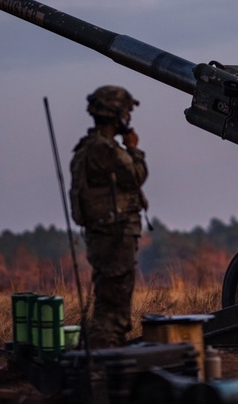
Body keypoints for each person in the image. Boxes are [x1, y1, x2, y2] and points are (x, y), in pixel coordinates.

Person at [69, 85, 148, 348]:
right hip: (115, 235)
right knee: (113, 308)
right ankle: (104, 365)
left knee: (110, 299)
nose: (128, 118)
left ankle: (100, 357)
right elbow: (136, 174)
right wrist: (133, 148)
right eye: (126, 112)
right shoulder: (104, 150)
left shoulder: (89, 148)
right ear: (115, 114)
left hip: (107, 234)